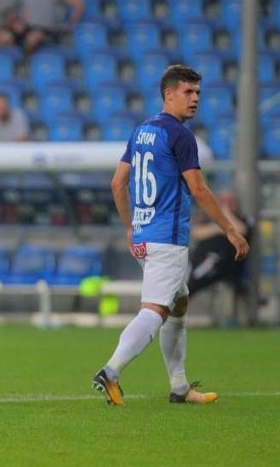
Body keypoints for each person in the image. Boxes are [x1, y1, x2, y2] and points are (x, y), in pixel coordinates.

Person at [92, 65, 249, 406]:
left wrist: (131, 226)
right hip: (167, 238)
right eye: (188, 92)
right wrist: (231, 230)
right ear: (169, 94)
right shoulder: (180, 136)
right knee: (155, 310)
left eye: (198, 93)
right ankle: (111, 370)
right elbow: (199, 189)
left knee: (178, 304)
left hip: (146, 235)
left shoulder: (142, 131)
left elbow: (118, 183)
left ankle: (179, 388)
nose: (195, 99)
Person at [187, 191, 253, 300]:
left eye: (229, 202)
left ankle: (185, 296)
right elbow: (196, 233)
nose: (225, 205)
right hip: (199, 257)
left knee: (196, 277)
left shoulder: (242, 219)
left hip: (223, 263)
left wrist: (225, 214)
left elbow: (241, 230)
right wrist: (223, 229)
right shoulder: (211, 219)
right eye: (223, 202)